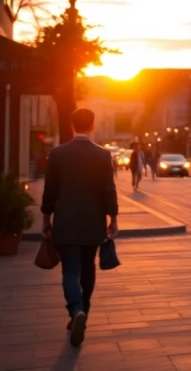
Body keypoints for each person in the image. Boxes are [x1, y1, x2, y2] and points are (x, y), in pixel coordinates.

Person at [41, 108, 119, 348]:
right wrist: (113, 218)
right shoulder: (102, 155)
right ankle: (82, 311)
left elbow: (50, 190)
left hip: (66, 221)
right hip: (93, 222)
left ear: (72, 125)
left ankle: (76, 310)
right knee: (88, 269)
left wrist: (46, 218)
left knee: (70, 270)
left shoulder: (57, 154)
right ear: (92, 125)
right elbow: (108, 189)